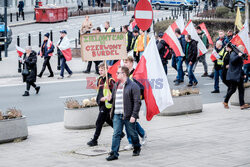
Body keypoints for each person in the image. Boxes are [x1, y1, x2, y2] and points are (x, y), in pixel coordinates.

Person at [106, 66, 141, 161]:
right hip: (117, 114)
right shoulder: (116, 85)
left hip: (128, 115)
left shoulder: (133, 86)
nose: (116, 74)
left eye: (118, 73)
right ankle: (114, 153)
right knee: (116, 133)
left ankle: (137, 147)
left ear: (124, 74)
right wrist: (109, 100)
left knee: (132, 133)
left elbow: (137, 102)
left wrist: (134, 115)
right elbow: (113, 100)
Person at [87, 63, 116, 146]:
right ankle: (120, 133)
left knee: (99, 122)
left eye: (102, 70)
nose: (100, 72)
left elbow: (114, 93)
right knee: (108, 120)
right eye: (99, 70)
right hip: (101, 103)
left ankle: (95, 140)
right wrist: (93, 88)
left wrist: (107, 97)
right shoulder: (100, 79)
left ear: (107, 70)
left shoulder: (110, 80)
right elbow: (99, 90)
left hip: (107, 104)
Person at [123, 56, 147, 150]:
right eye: (124, 62)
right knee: (129, 121)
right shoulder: (124, 73)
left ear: (132, 62)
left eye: (127, 62)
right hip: (126, 100)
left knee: (130, 121)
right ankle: (138, 136)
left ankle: (133, 140)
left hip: (134, 100)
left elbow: (141, 87)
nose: (125, 64)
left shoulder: (136, 73)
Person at [223, 45, 250, 110]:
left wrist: (243, 73)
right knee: (237, 89)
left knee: (236, 89)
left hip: (238, 75)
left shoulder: (237, 54)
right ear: (240, 49)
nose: (243, 51)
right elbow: (232, 61)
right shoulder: (234, 53)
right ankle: (241, 104)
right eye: (242, 50)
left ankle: (226, 102)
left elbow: (239, 66)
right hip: (235, 75)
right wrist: (239, 55)